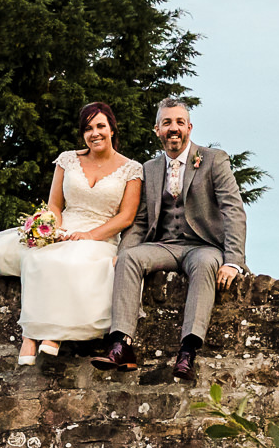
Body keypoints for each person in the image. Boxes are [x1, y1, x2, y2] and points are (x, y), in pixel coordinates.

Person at [0, 103, 143, 363]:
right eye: (87, 128)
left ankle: (52, 334)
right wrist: (54, 229)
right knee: (37, 257)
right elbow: (55, 204)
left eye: (100, 126)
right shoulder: (68, 159)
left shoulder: (132, 169)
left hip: (101, 235)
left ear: (111, 128)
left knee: (71, 261)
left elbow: (126, 216)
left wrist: (90, 235)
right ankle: (30, 336)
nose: (94, 133)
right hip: (64, 228)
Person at [93, 98, 247, 384]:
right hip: (163, 245)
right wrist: (123, 251)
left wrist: (233, 261)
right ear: (157, 130)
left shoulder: (214, 160)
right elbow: (140, 221)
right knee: (129, 257)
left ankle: (187, 352)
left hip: (203, 246)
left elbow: (233, 210)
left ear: (189, 127)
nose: (173, 128)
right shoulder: (149, 169)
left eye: (179, 122)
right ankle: (121, 344)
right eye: (166, 123)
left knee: (204, 265)